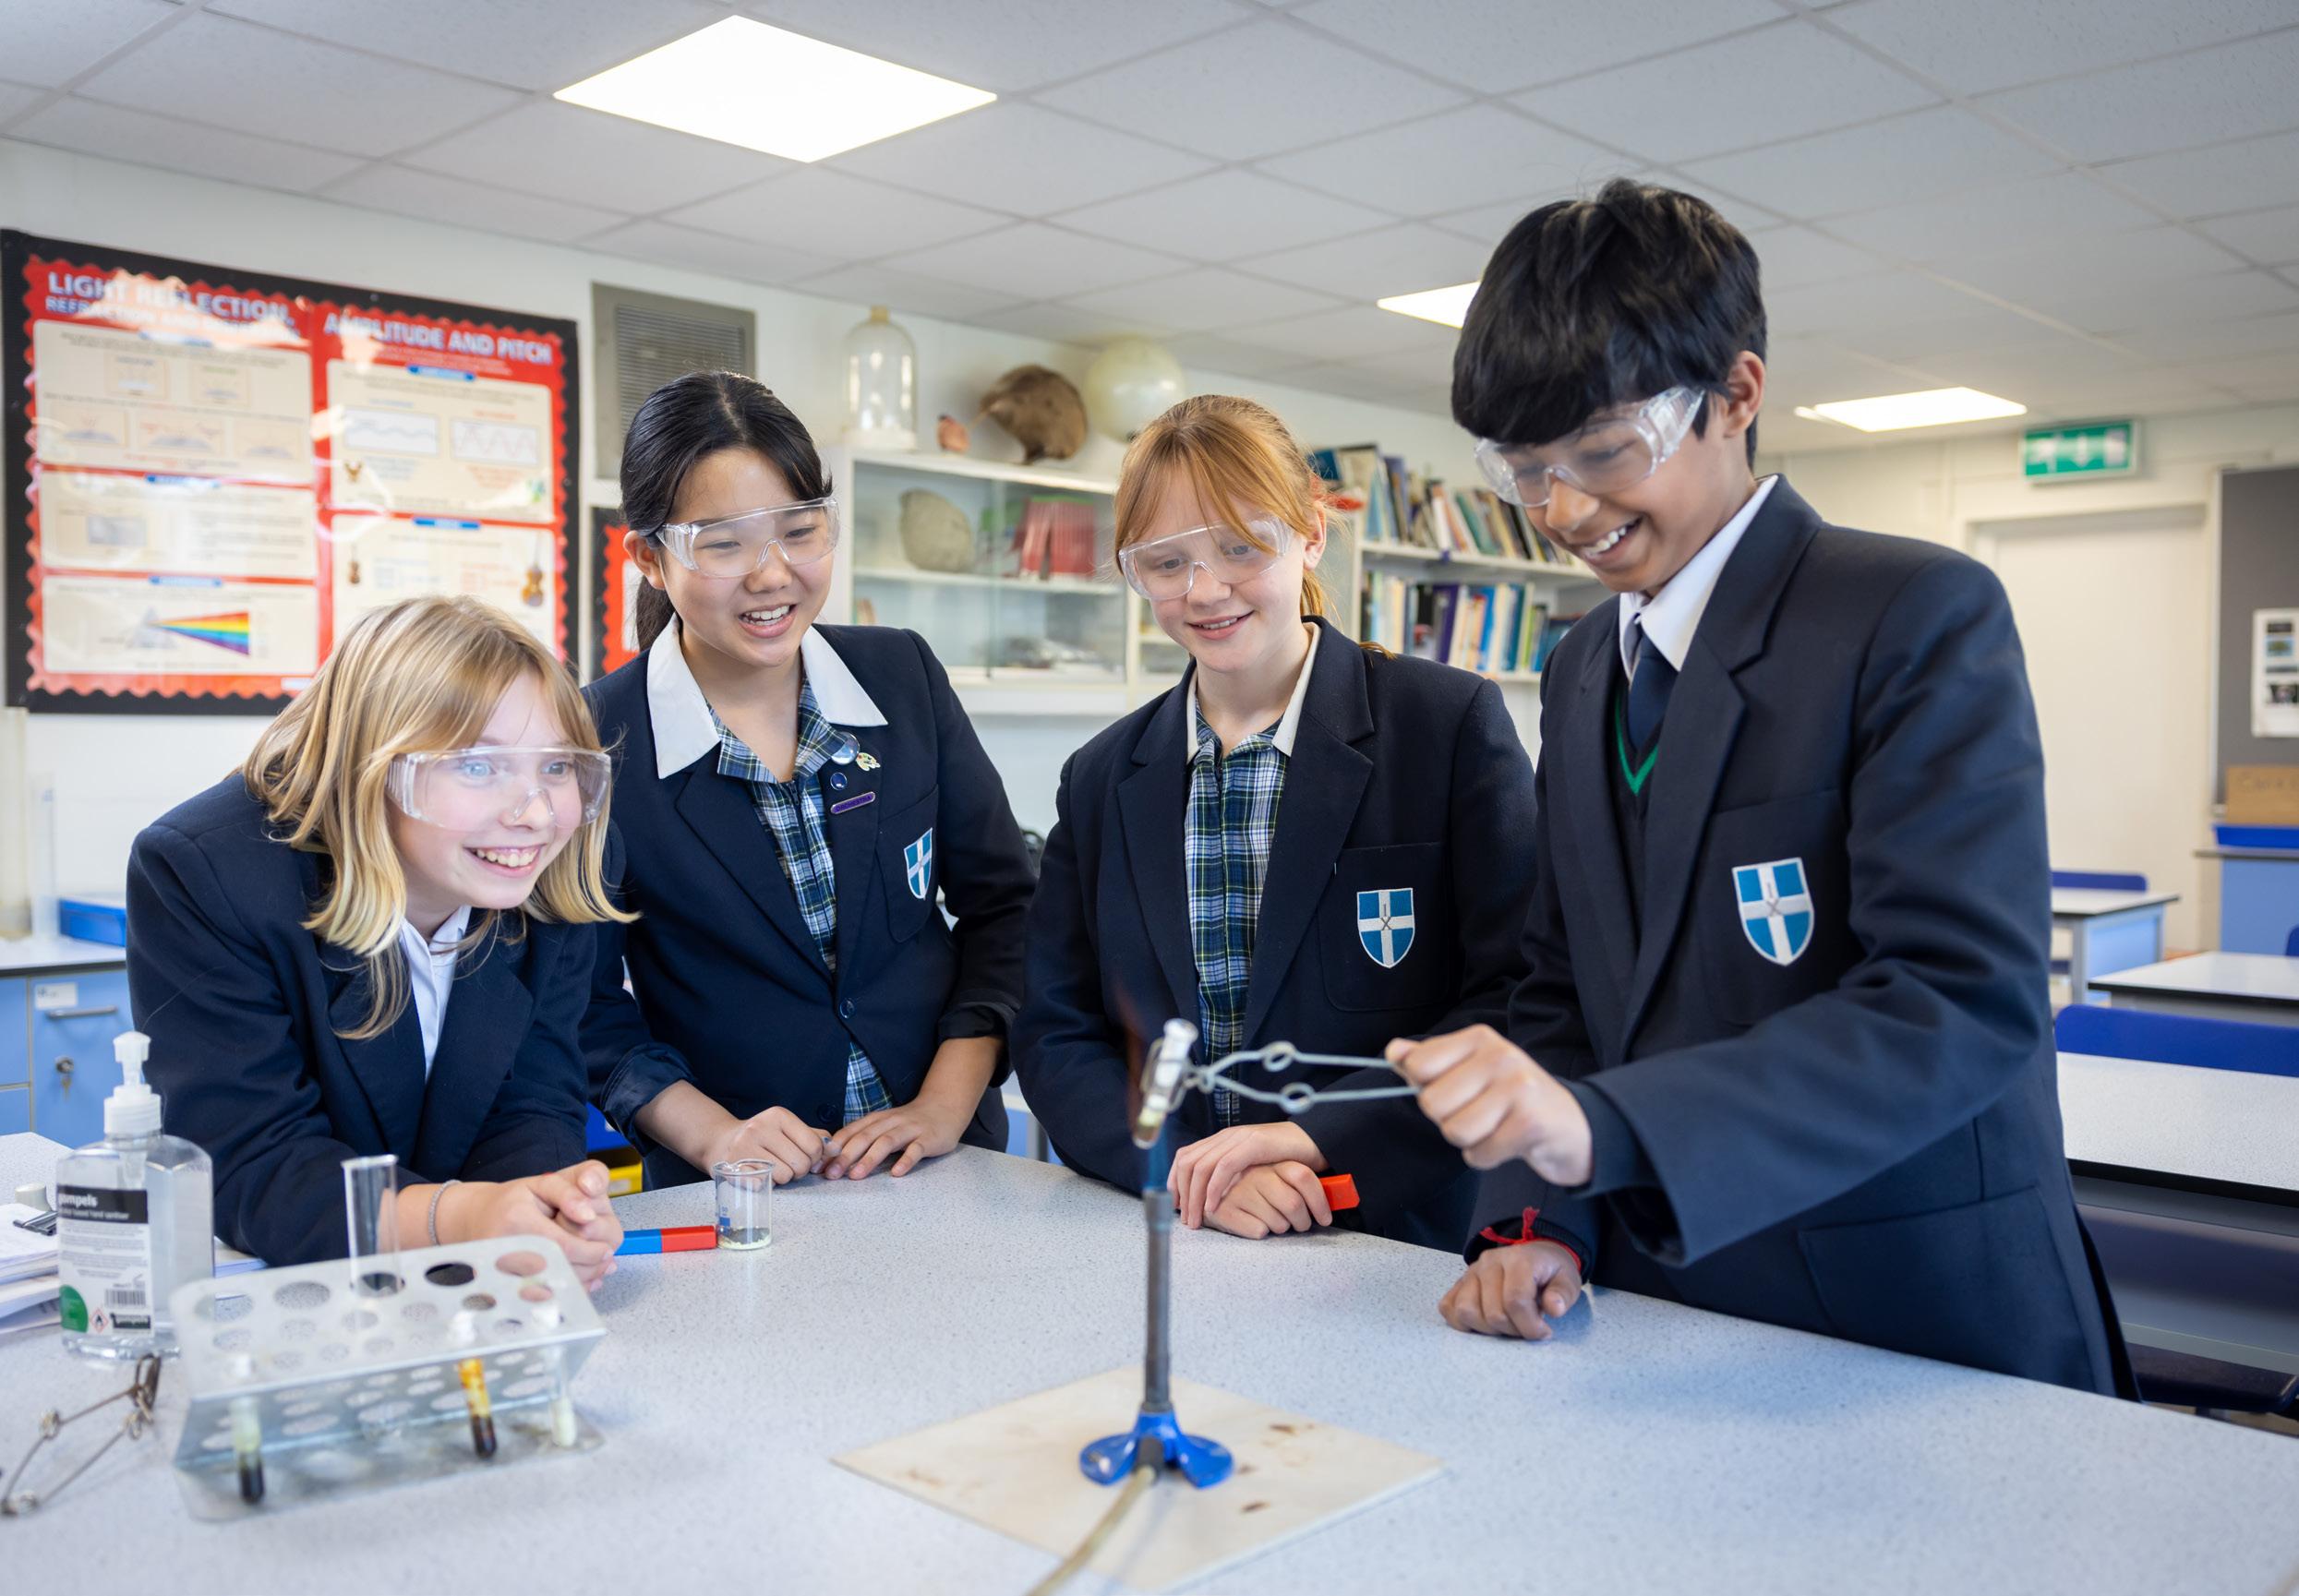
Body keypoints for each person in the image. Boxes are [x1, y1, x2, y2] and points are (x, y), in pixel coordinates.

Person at [1392, 179, 2128, 1393]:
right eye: (1523, 470)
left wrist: (1608, 1130)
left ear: (1737, 395)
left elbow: (1955, 1001)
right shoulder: (1580, 667)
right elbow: (1561, 986)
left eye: (1602, 452)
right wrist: (1538, 1217)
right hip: (1665, 1319)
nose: (1562, 510)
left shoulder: (1911, 615)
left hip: (1912, 1321)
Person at [1013, 394, 1537, 1249]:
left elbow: (1518, 993)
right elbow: (1056, 1031)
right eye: (1166, 562)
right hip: (1186, 1235)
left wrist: (1315, 1140)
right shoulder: (1102, 777)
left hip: (1401, 1239)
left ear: (1311, 534)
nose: (1204, 590)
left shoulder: (1447, 727)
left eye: (1239, 546)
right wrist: (1187, 1171)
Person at [583, 372, 1035, 1190]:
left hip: (944, 1163)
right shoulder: (597, 742)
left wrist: (943, 1104)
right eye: (723, 544)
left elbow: (1006, 905)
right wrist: (718, 1137)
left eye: (799, 531)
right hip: (738, 1194)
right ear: (649, 557)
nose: (772, 575)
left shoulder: (901, 676)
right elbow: (581, 1005)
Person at [126, 596, 627, 1277]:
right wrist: (463, 1221)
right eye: (478, 765)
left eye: (558, 766)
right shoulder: (210, 872)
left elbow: (533, 1101)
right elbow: (253, 1163)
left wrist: (540, 1214)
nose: (536, 815)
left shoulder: (560, 863)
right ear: (375, 768)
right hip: (296, 1287)